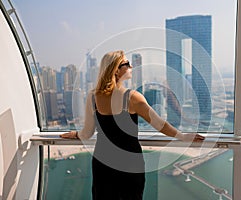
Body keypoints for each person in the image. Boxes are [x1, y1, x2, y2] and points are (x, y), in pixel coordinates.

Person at [60, 50, 205, 200]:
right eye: (126, 64)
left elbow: (87, 133)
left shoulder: (93, 97)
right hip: (129, 163)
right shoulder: (132, 97)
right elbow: (159, 124)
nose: (130, 67)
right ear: (116, 70)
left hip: (102, 163)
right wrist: (183, 136)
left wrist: (76, 135)